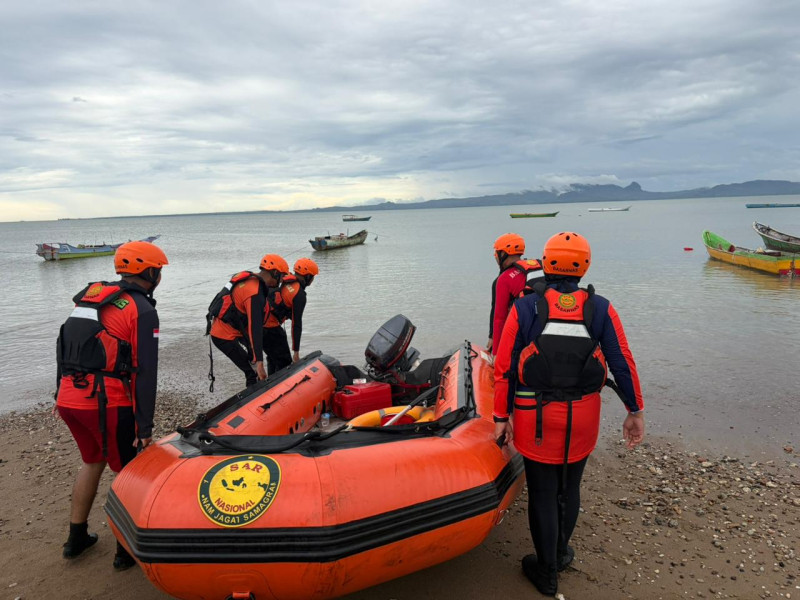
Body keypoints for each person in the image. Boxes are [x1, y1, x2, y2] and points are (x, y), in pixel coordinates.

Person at [492, 231, 644, 596]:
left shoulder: (525, 306)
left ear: (545, 263)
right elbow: (622, 361)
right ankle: (560, 554)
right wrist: (634, 409)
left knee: (543, 493)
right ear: (584, 265)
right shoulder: (601, 307)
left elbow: (504, 367)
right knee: (569, 486)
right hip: (583, 418)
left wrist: (501, 417)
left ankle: (545, 572)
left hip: (534, 417)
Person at [55, 240, 168, 570]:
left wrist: (57, 393)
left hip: (67, 397)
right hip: (106, 404)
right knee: (127, 472)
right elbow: (146, 372)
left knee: (92, 462)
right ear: (150, 272)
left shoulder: (91, 297)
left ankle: (76, 539)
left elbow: (64, 345)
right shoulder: (143, 310)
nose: (160, 275)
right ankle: (124, 551)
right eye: (158, 270)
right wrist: (144, 429)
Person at [208, 254, 289, 387]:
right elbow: (254, 327)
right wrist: (259, 362)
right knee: (252, 372)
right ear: (275, 273)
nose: (280, 282)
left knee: (253, 362)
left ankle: (260, 392)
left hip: (234, 331)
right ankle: (253, 402)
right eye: (280, 277)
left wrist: (256, 358)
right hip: (223, 337)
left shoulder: (253, 281)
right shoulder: (254, 292)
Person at [488, 233, 544, 355]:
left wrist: (496, 352)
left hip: (523, 334)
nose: (495, 257)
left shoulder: (503, 279)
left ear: (503, 254)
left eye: (496, 253)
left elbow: (499, 318)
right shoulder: (540, 267)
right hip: (546, 329)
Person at [262, 257, 319, 374]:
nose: (313, 280)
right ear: (308, 277)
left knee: (273, 358)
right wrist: (296, 352)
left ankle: (268, 384)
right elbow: (296, 325)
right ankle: (277, 388)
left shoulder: (285, 278)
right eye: (313, 277)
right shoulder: (299, 295)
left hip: (260, 325)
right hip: (270, 328)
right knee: (285, 364)